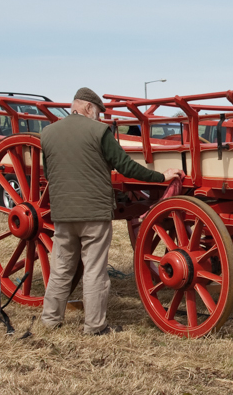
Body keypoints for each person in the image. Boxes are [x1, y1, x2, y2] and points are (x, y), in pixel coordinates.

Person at [40, 87, 184, 334]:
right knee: (95, 270)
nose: (99, 118)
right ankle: (94, 326)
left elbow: (48, 173)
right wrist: (161, 175)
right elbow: (125, 166)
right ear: (87, 107)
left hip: (63, 213)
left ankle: (50, 320)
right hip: (94, 213)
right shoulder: (98, 131)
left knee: (61, 268)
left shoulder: (48, 133)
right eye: (97, 112)